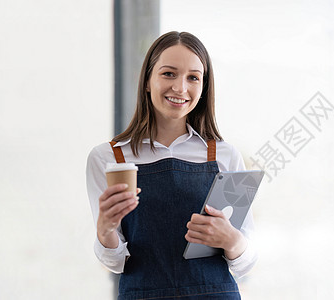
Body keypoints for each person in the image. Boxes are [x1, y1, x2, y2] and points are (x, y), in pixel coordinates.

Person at [86, 31, 257, 299]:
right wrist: (105, 230)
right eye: (168, 74)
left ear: (203, 88)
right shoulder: (109, 158)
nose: (180, 88)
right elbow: (115, 262)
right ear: (147, 81)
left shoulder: (224, 155)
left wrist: (231, 240)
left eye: (193, 77)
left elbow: (245, 262)